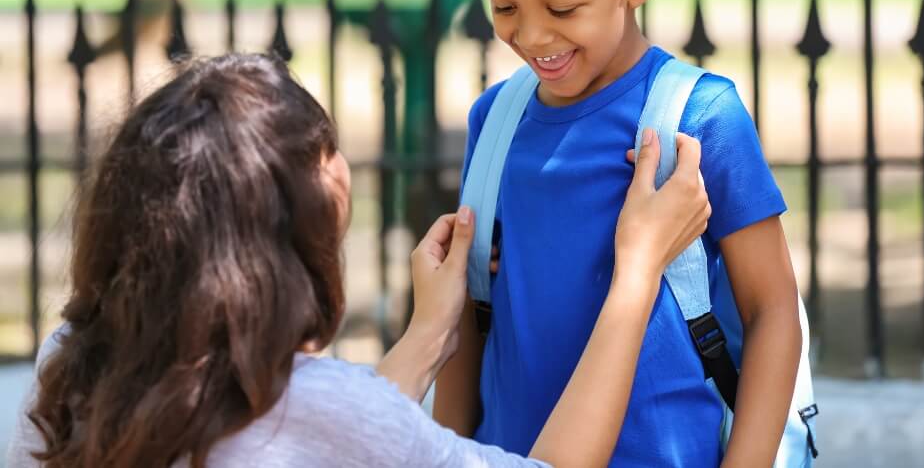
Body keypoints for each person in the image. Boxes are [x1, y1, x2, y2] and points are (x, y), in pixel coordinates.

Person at [6, 53, 711, 468]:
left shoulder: (69, 367)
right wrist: (638, 270)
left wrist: (431, 333)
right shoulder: (314, 403)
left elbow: (330, 431)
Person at [433, 0, 802, 467]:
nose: (534, 37)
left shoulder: (700, 117)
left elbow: (773, 313)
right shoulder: (493, 123)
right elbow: (468, 320)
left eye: (563, 8)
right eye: (505, 6)